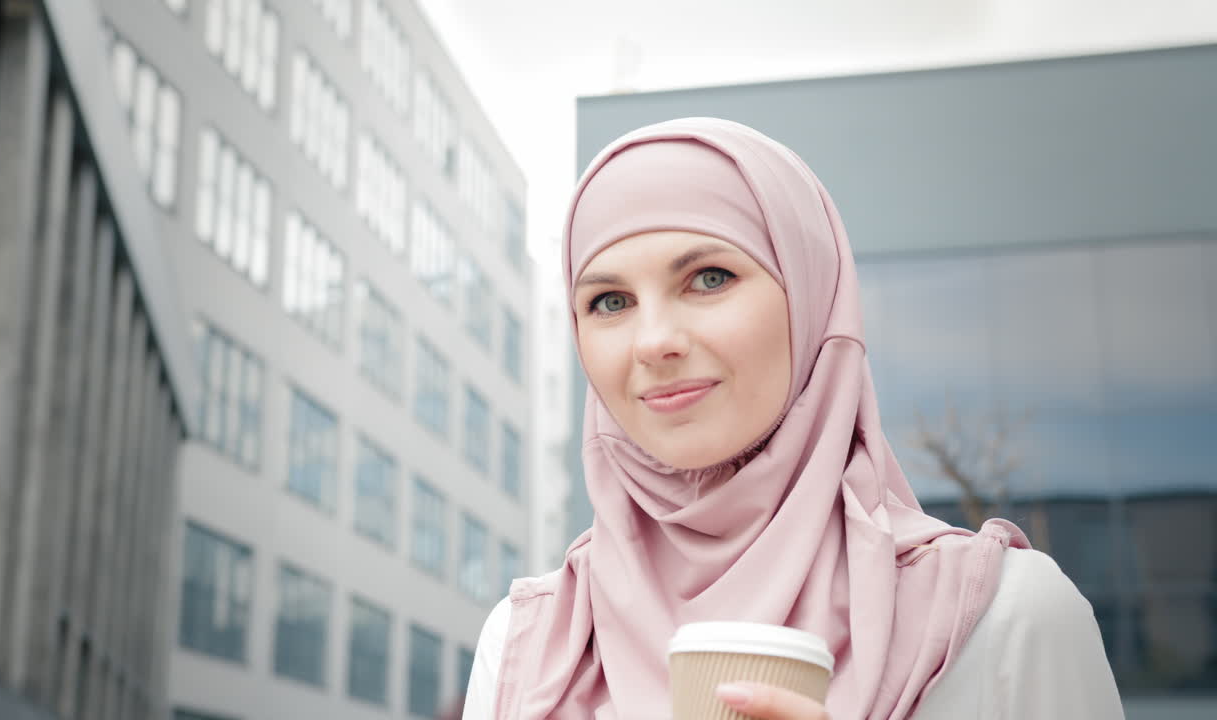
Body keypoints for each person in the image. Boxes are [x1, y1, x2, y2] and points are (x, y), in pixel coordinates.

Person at [463, 118, 1123, 719]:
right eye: (609, 301)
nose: (651, 340)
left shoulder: (1004, 617)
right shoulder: (530, 644)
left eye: (710, 278)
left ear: (811, 299)